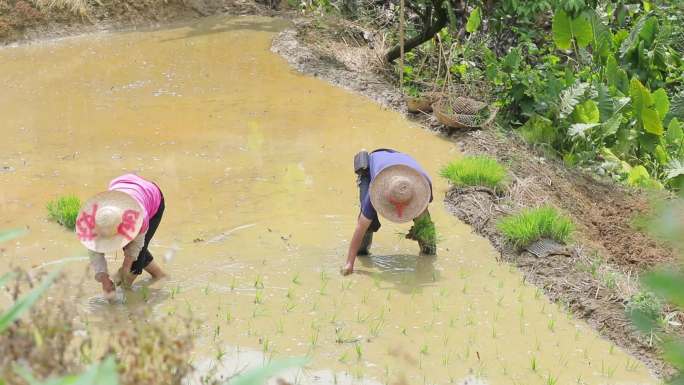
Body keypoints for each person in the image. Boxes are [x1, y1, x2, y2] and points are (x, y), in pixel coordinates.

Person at [341, 149, 436, 276]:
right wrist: (349, 263)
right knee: (368, 224)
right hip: (371, 168)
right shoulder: (374, 193)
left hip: (401, 163)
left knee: (425, 226)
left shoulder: (423, 186)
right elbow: (360, 227)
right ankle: (362, 252)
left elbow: (423, 218)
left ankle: (429, 255)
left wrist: (418, 231)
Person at [75, 174, 166, 296]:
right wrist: (104, 280)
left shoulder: (139, 217)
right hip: (123, 185)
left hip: (153, 198)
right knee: (130, 249)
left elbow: (136, 246)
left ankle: (129, 301)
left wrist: (125, 268)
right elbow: (94, 252)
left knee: (136, 258)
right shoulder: (96, 220)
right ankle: (160, 276)